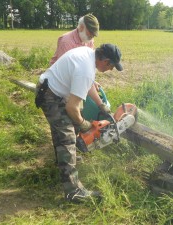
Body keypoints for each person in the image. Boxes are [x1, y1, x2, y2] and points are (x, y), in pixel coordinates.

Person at [35, 43, 123, 203]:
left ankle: (64, 164)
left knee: (65, 129)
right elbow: (72, 107)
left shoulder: (88, 55)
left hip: (52, 90)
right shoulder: (86, 69)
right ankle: (73, 192)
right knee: (67, 136)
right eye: (112, 66)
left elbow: (88, 85)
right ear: (106, 61)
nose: (111, 70)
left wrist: (101, 105)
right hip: (49, 96)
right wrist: (85, 125)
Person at [50, 14, 109, 114]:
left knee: (76, 108)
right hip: (59, 81)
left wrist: (92, 81)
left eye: (93, 36)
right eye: (90, 34)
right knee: (65, 111)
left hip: (76, 76)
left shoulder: (88, 40)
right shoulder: (66, 41)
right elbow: (66, 70)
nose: (91, 38)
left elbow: (89, 64)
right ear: (81, 27)